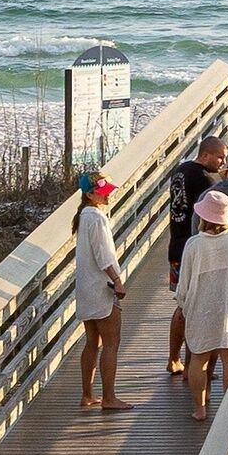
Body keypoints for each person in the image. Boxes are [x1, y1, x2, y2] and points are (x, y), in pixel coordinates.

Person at [169, 188, 228, 417]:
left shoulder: (193, 244)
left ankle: (200, 409)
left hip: (201, 309)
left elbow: (184, 283)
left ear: (203, 217)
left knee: (199, 358)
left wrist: (181, 304)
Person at [70, 173, 128, 411]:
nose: (108, 194)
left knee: (92, 341)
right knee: (111, 343)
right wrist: (117, 280)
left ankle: (87, 394)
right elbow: (103, 254)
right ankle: (109, 397)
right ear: (90, 194)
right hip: (101, 287)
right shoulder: (96, 218)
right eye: (103, 191)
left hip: (85, 287)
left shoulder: (84, 216)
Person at [165, 133, 227, 285]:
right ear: (205, 155)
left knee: (181, 300)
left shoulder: (180, 170)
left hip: (175, 248)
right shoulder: (205, 180)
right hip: (195, 250)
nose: (223, 163)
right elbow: (208, 218)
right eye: (220, 157)